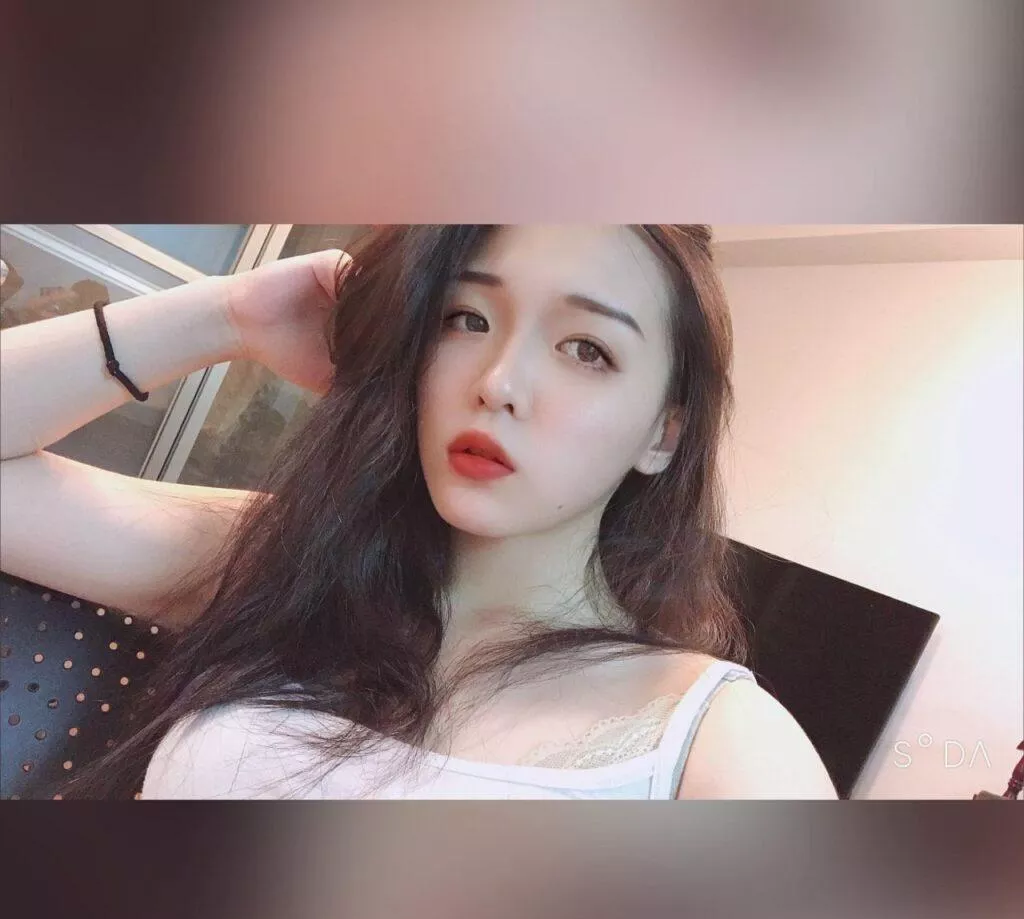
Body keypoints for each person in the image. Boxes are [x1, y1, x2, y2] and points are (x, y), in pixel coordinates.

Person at [0, 226, 838, 799]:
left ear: (663, 433)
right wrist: (227, 315)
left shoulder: (715, 748)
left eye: (587, 349)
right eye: (466, 319)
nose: (498, 382)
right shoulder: (280, 572)